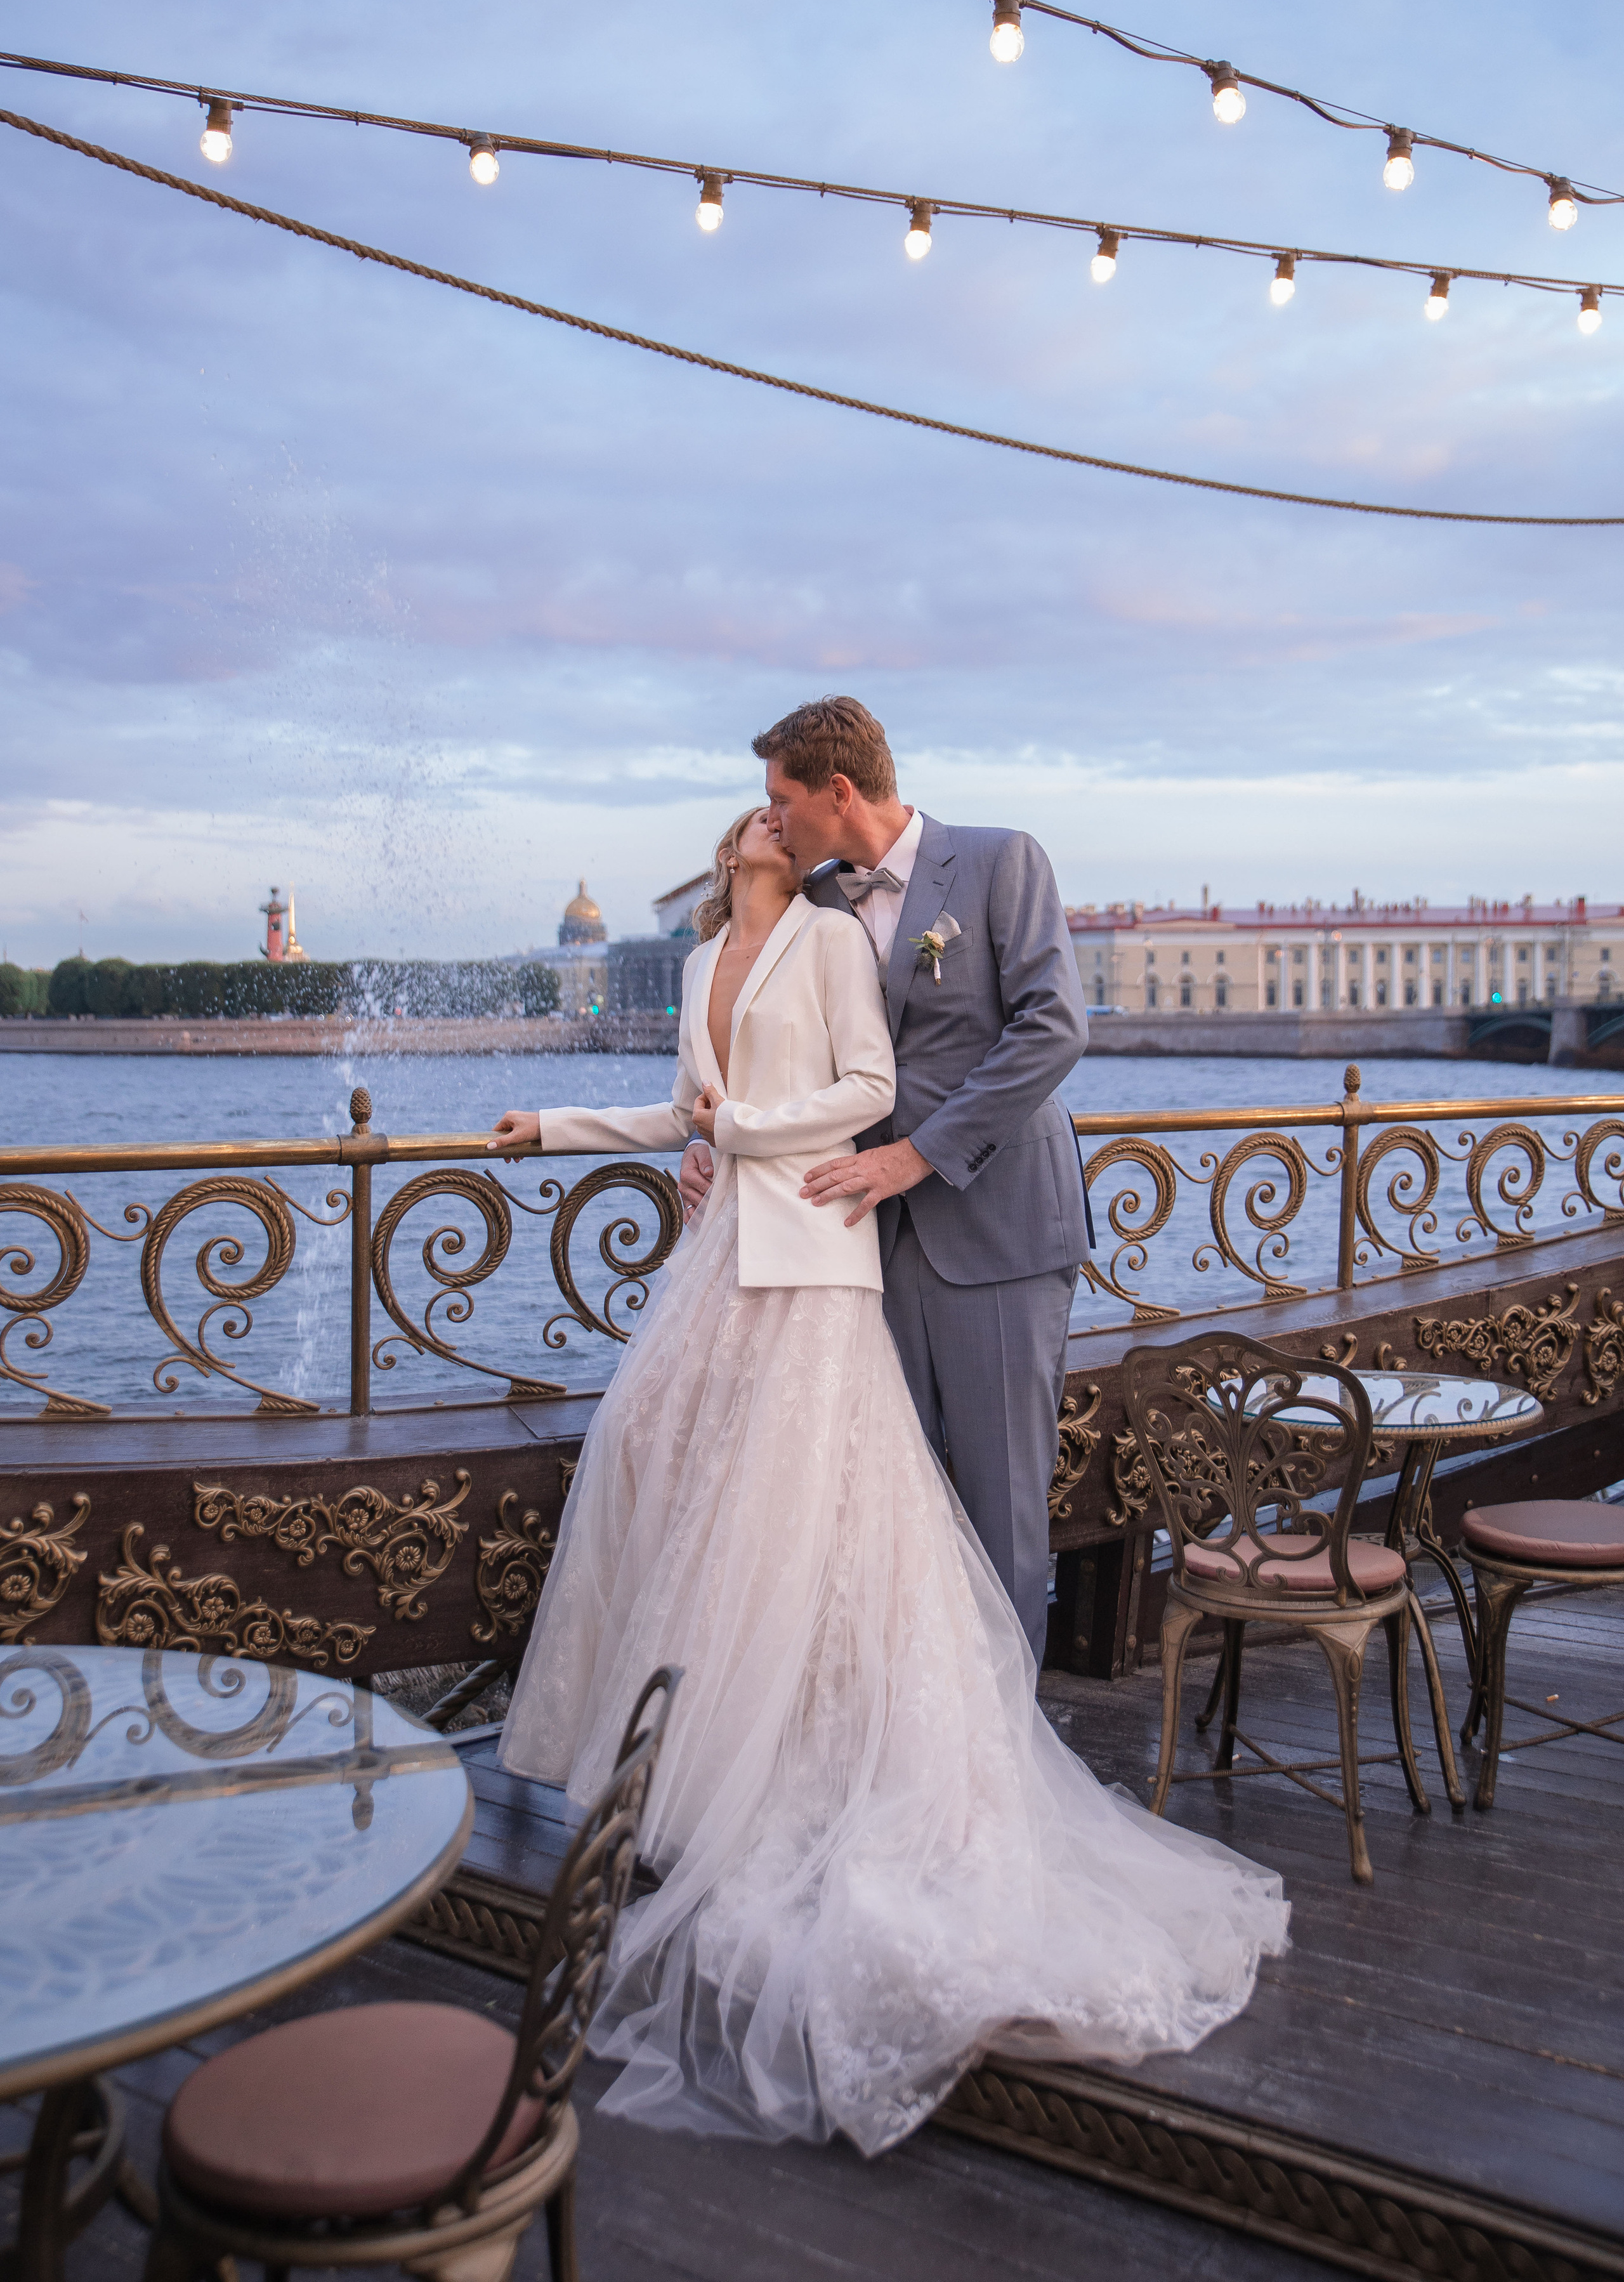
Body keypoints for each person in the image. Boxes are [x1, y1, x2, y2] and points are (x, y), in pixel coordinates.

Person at [486, 799, 1288, 2156]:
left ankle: (902, 1776)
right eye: (749, 812)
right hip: (729, 1256)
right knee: (679, 1481)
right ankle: (704, 1763)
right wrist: (563, 1121)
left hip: (825, 1244)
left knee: (851, 1513)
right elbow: (688, 1102)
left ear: (804, 827)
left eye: (774, 803)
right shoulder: (698, 965)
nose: (756, 819)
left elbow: (868, 1090)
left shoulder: (838, 933)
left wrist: (734, 1131)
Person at [681, 695, 1090, 1665]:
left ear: (839, 790)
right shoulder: (814, 905)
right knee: (890, 1515)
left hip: (994, 1233)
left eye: (782, 798)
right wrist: (708, 1143)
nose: (771, 818)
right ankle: (909, 1735)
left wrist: (918, 1154)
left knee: (999, 1510)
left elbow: (1053, 1028)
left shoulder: (1001, 861)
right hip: (862, 1242)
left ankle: (1005, 1759)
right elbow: (772, 1060)